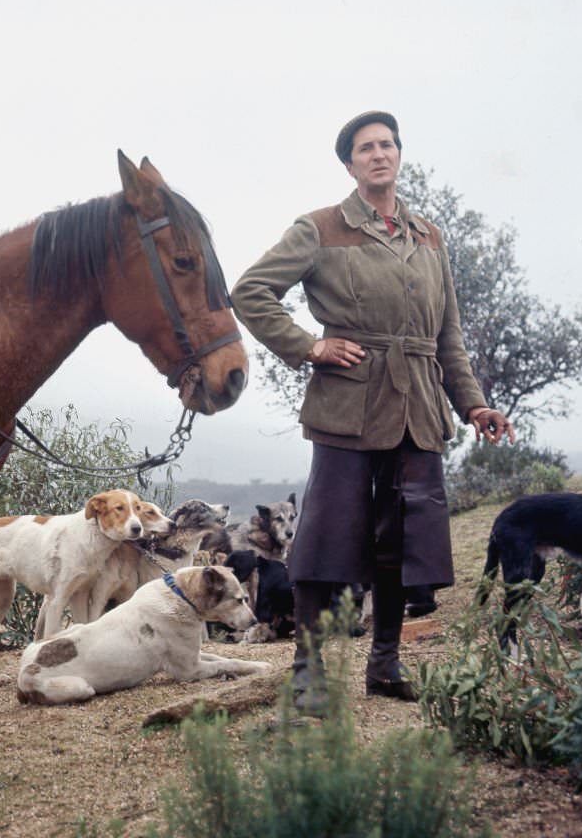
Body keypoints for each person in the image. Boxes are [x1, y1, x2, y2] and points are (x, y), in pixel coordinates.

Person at [231, 110, 515, 715]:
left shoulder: (429, 235)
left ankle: (384, 663)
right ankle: (306, 671)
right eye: (366, 148)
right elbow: (251, 292)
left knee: (401, 540)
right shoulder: (320, 227)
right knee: (325, 538)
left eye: (387, 144)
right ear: (350, 163)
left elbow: (449, 335)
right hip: (348, 406)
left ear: (399, 155)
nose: (379, 154)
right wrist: (310, 345)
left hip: (418, 408)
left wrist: (473, 403)